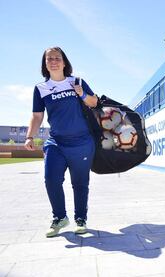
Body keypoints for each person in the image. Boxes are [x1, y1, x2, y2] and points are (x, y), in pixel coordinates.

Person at [25, 46, 98, 237]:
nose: (53, 61)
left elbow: (94, 102)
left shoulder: (77, 81)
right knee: (51, 179)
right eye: (49, 59)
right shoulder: (41, 89)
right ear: (45, 64)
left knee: (80, 183)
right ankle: (59, 217)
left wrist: (81, 93)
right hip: (56, 143)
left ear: (64, 62)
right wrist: (29, 136)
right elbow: (37, 115)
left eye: (57, 58)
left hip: (82, 142)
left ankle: (80, 219)